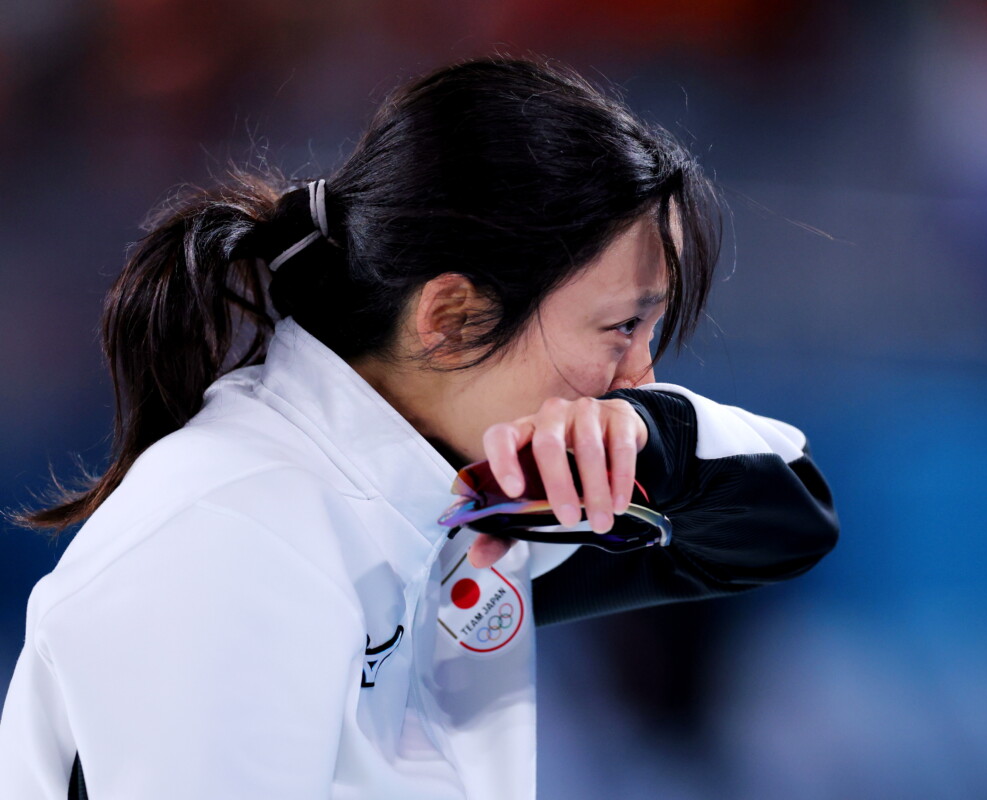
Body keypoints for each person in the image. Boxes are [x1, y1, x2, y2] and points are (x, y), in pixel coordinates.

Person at [0, 55, 838, 799]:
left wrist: (657, 441)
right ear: (452, 317)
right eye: (622, 328)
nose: (641, 378)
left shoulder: (447, 502)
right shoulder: (236, 537)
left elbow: (788, 521)